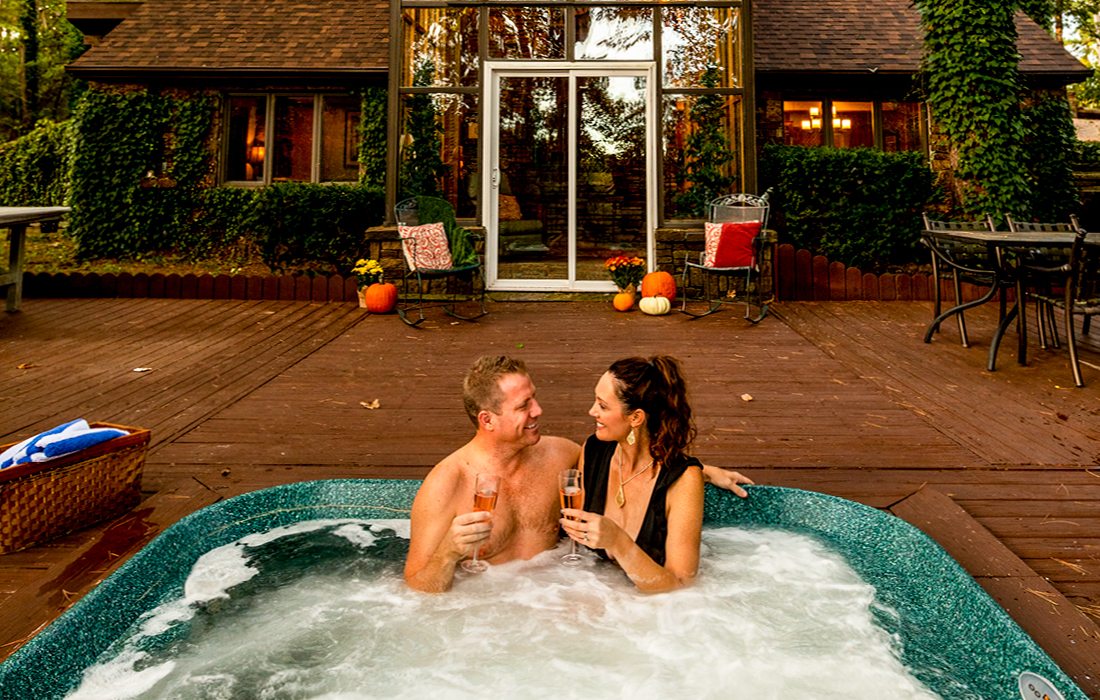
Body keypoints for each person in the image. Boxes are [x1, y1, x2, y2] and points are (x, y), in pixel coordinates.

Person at [404, 355, 753, 593]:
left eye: (534, 398)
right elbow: (417, 588)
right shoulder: (445, 485)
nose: (539, 410)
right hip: (489, 617)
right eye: (524, 406)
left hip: (567, 601)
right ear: (488, 420)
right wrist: (448, 552)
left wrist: (704, 472)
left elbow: (654, 466)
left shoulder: (561, 457)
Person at [559, 356, 704, 593]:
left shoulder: (683, 480)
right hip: (597, 596)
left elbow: (680, 589)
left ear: (635, 417)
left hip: (652, 613)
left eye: (603, 406)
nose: (592, 411)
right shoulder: (595, 450)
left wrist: (618, 542)